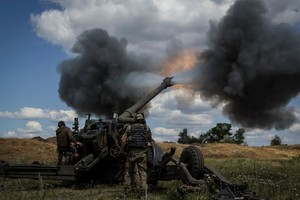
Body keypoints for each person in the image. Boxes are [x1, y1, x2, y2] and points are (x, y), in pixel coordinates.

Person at [121, 113, 152, 196]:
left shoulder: (130, 128)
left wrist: (122, 150)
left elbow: (123, 140)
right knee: (143, 173)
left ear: (135, 119)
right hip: (142, 153)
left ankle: (127, 192)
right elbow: (150, 140)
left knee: (128, 172)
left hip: (131, 153)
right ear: (143, 120)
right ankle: (143, 192)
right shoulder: (147, 128)